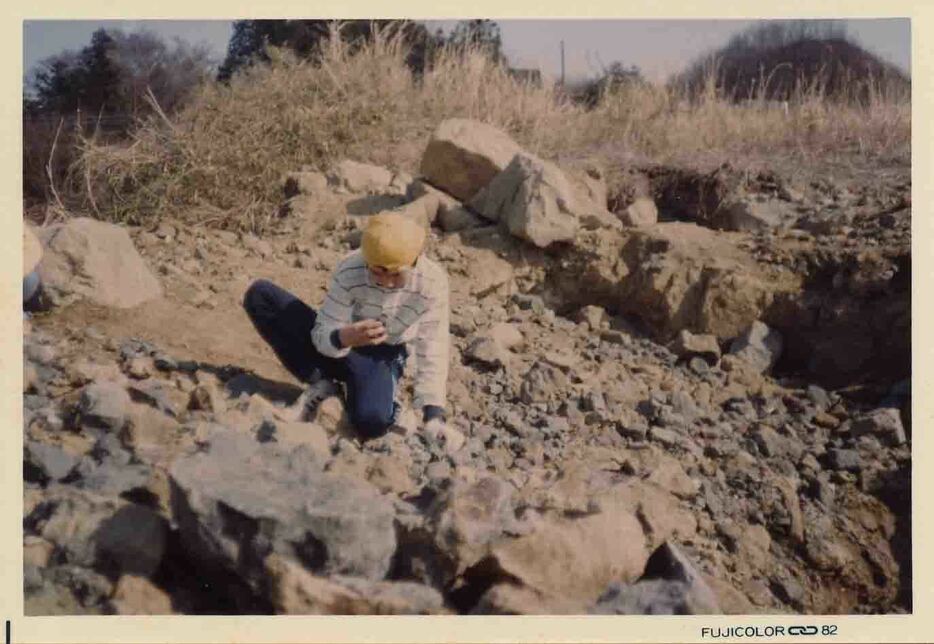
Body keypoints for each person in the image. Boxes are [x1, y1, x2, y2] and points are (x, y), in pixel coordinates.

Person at [243, 212, 450, 440]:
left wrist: (433, 415)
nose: (385, 282)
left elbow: (434, 346)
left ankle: (385, 403)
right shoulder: (351, 268)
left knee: (371, 423)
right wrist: (344, 337)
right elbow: (323, 331)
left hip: (382, 355)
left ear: (416, 260)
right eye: (377, 272)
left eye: (396, 274)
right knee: (261, 295)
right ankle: (321, 384)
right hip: (340, 340)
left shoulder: (432, 283)